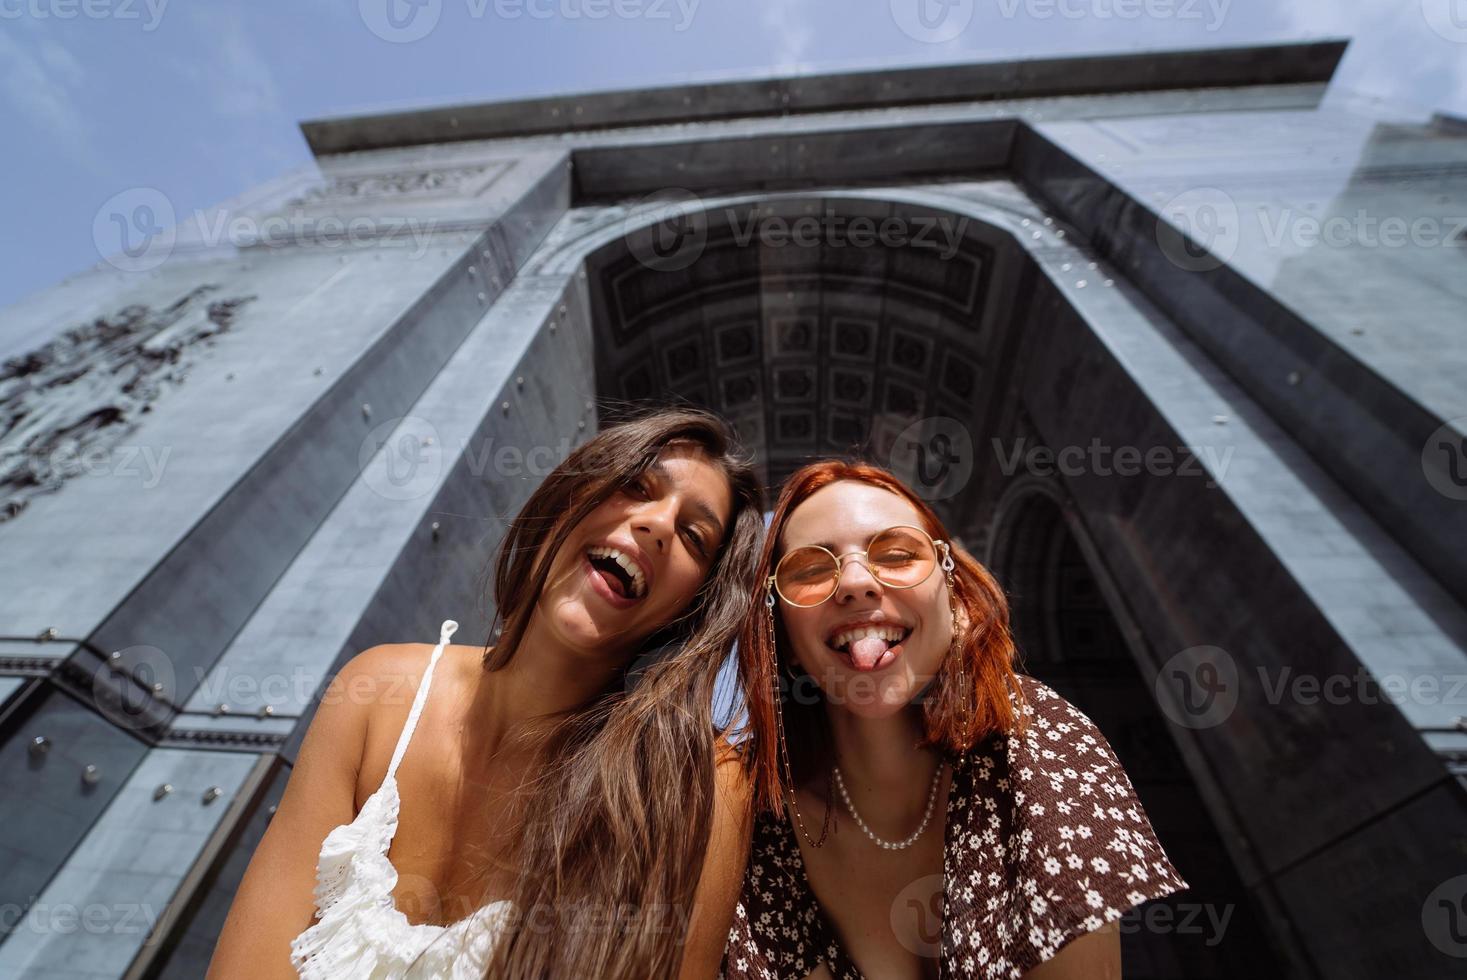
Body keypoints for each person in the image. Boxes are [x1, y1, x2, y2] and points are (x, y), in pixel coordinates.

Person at [208, 408, 765, 979]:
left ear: (690, 608)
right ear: (572, 493)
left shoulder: (690, 792)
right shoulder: (376, 694)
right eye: (634, 486)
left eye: (695, 537)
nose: (657, 524)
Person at [721, 460, 1187, 980]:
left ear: (955, 596)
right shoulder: (741, 816)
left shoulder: (1043, 741)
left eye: (897, 554)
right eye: (809, 570)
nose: (854, 582)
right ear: (780, 632)